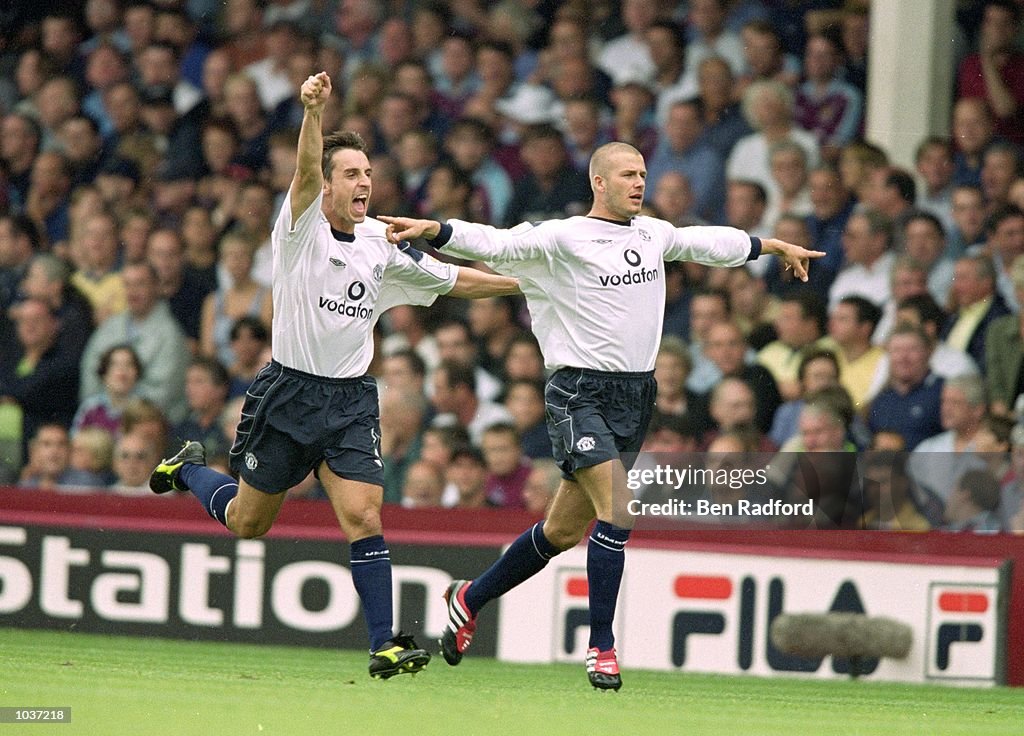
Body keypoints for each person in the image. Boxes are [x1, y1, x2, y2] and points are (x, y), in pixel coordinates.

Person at [379, 140, 821, 690]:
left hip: (636, 396)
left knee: (563, 530)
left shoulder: (652, 232)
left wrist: (768, 245)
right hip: (577, 393)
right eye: (628, 174)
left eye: (642, 173)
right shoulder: (563, 237)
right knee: (618, 510)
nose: (639, 182)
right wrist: (436, 230)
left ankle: (469, 597)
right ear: (599, 183)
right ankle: (602, 646)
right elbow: (493, 239)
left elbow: (702, 243)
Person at [146, 72, 519, 680]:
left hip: (350, 401)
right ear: (326, 183)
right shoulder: (297, 233)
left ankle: (384, 643)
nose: (364, 182)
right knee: (248, 523)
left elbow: (456, 280)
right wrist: (314, 114)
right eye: (350, 173)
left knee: (365, 517)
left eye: (368, 173)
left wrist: (527, 282)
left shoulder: (382, 244)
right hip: (289, 393)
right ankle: (188, 466)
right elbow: (301, 178)